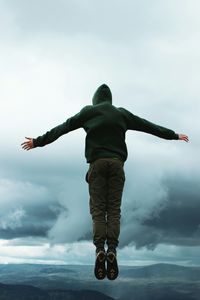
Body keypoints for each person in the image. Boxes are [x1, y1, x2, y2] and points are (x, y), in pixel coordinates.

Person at [21, 84, 189, 280]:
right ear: (110, 99)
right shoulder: (121, 114)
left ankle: (100, 249)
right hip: (117, 165)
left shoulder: (88, 112)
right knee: (114, 210)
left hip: (97, 165)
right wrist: (173, 135)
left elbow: (64, 127)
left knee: (99, 211)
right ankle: (112, 250)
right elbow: (148, 126)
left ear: (95, 99)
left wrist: (38, 141)